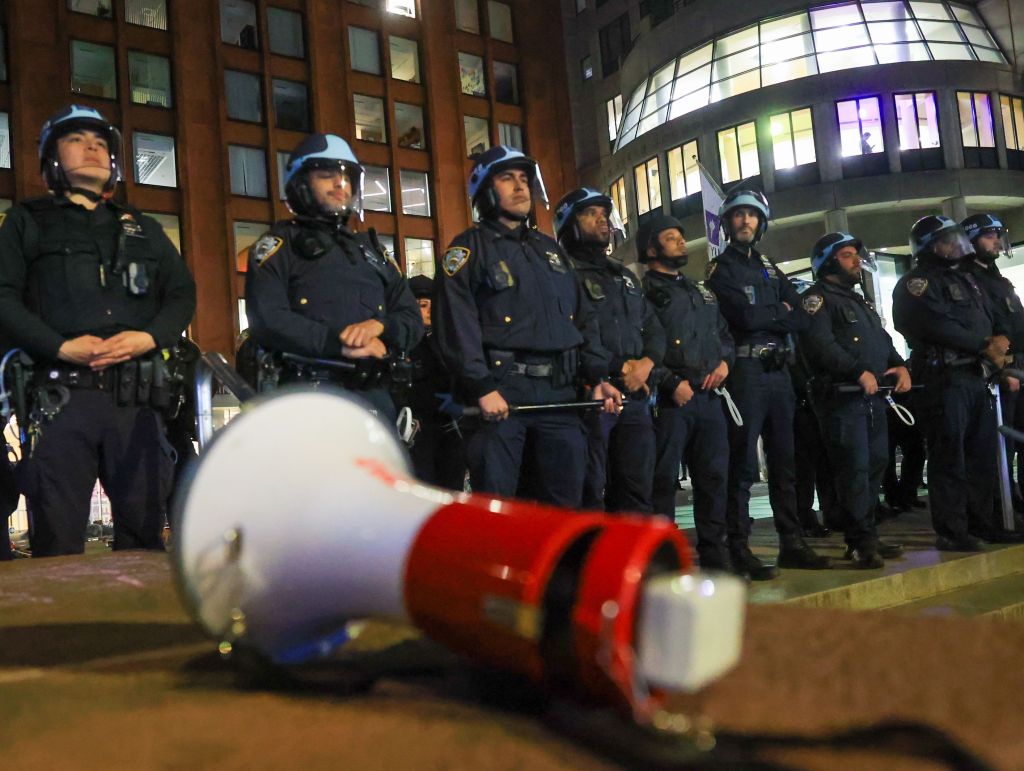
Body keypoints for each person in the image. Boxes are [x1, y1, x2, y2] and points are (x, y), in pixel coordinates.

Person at [0, 105, 196, 557]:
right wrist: (60, 346)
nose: (92, 148)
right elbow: (3, 296)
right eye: (76, 140)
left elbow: (182, 293)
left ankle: (142, 629)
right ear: (52, 158)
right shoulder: (25, 222)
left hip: (139, 401)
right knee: (57, 539)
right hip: (61, 397)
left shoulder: (142, 228)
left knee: (146, 536)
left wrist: (150, 337)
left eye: (101, 142)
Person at [433, 146, 621, 508]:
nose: (521, 188)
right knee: (500, 508)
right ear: (486, 190)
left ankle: (556, 567)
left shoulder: (549, 251)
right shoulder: (467, 250)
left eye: (524, 179)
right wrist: (481, 386)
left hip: (560, 395)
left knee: (564, 504)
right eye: (507, 179)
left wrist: (597, 377)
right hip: (500, 394)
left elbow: (582, 319)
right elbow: (455, 324)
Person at [244, 133, 423, 422]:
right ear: (301, 184)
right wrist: (338, 343)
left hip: (375, 396)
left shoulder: (372, 251)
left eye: (346, 178)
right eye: (327, 176)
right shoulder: (279, 245)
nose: (340, 184)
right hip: (307, 395)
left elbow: (412, 318)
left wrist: (380, 326)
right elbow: (267, 318)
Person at [704, 189, 830, 578]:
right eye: (738, 215)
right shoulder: (720, 269)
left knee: (786, 462)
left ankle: (791, 541)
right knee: (742, 465)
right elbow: (742, 317)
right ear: (727, 223)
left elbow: (802, 316)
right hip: (745, 373)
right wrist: (780, 312)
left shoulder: (769, 267)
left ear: (761, 224)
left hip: (779, 373)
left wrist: (770, 314)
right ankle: (738, 545)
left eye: (752, 216)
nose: (745, 221)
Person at [892, 215, 1015, 550]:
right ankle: (952, 530)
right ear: (930, 246)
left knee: (981, 454)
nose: (955, 246)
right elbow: (932, 324)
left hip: (975, 376)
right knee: (950, 457)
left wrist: (998, 342)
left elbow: (987, 318)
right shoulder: (917, 282)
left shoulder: (967, 280)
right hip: (943, 379)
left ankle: (982, 522)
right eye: (948, 240)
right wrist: (983, 345)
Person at [798, 233, 910, 567]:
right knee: (853, 469)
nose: (855, 261)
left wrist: (898, 364)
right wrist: (857, 371)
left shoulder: (858, 301)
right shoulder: (816, 300)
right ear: (829, 262)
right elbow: (821, 345)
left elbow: (881, 338)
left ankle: (867, 534)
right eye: (847, 256)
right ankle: (860, 540)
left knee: (876, 463)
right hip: (841, 398)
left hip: (872, 398)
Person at [554, 187, 663, 512]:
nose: (603, 222)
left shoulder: (624, 276)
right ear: (570, 224)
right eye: (592, 215)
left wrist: (646, 363)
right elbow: (571, 331)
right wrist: (619, 369)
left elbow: (654, 326)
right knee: (592, 490)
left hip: (634, 396)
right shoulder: (562, 273)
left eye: (605, 215)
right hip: (589, 397)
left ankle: (632, 562)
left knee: (637, 488)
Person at [640, 215, 734, 569]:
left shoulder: (701, 290)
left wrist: (725, 364)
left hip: (709, 398)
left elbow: (723, 334)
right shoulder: (643, 292)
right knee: (662, 481)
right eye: (670, 237)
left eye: (681, 235)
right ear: (651, 249)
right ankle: (664, 561)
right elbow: (641, 344)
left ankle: (714, 554)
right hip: (669, 401)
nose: (681, 242)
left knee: (713, 477)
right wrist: (669, 382)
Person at [961, 213, 1024, 526]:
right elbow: (986, 330)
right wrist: (1002, 367)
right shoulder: (968, 278)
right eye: (989, 235)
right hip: (1000, 369)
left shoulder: (995, 276)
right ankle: (1000, 507)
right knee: (1001, 445)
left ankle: (1015, 499)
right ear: (971, 240)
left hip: (1019, 363)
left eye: (998, 234)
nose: (996, 241)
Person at [397, 274, 466, 490]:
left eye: (432, 306)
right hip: (418, 427)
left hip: (450, 426)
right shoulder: (403, 341)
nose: (429, 312)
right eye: (423, 305)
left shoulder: (446, 338)